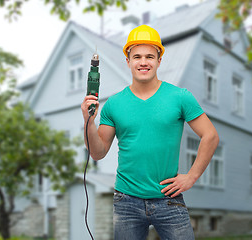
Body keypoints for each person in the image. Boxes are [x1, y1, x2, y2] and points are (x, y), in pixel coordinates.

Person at [81, 25, 219, 240]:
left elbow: (210, 135)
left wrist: (192, 177)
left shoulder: (180, 97)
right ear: (128, 61)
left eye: (149, 56)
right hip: (126, 202)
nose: (143, 62)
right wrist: (88, 122)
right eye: (136, 56)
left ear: (159, 60)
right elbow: (98, 153)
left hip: (169, 200)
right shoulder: (113, 104)